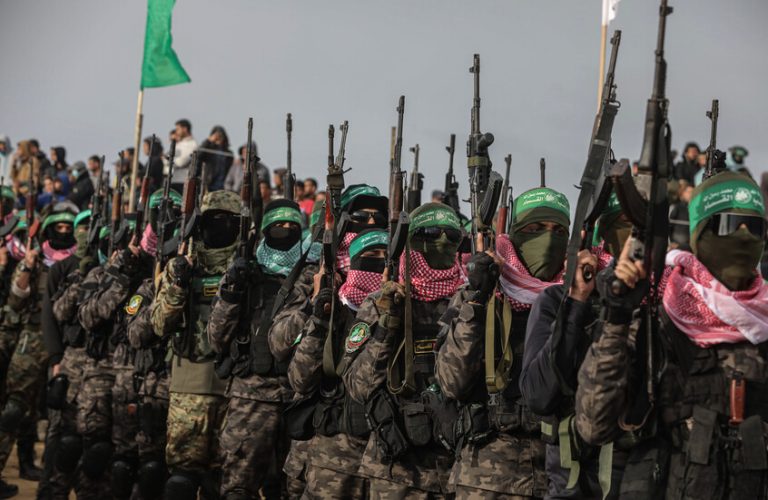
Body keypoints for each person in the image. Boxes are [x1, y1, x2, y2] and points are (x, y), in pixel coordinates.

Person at [575, 170, 768, 498]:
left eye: (756, 228)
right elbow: (594, 424)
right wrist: (617, 316)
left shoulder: (762, 322)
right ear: (701, 232)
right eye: (730, 225)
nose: (745, 237)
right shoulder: (659, 316)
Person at [435, 186, 572, 499]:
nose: (548, 239)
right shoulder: (480, 292)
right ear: (516, 234)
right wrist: (478, 299)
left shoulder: (576, 297)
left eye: (558, 231)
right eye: (535, 229)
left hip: (562, 471)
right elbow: (451, 381)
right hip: (487, 475)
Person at [344, 202, 465, 499]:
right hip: (397, 470)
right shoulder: (381, 301)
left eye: (452, 235)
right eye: (431, 233)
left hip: (459, 468)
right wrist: (387, 323)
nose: (442, 242)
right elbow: (359, 386)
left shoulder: (468, 303)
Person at [519, 191, 630, 499]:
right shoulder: (557, 299)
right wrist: (577, 300)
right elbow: (539, 395)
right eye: (621, 224)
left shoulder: (672, 300)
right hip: (572, 481)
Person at [207, 199, 314, 499]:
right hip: (250, 396)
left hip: (297, 398)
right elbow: (216, 338)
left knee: (294, 489)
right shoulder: (244, 272)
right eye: (278, 225)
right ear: (265, 229)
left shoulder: (309, 276)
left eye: (292, 226)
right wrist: (232, 292)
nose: (286, 230)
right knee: (238, 488)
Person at [151, 190, 240, 499]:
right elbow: (159, 324)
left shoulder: (247, 267)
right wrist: (179, 284)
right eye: (212, 219)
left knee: (223, 482)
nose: (219, 225)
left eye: (226, 220)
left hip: (233, 389)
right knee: (182, 480)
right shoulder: (181, 267)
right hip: (188, 386)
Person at [289, 227, 388, 498]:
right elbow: (299, 379)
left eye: (385, 255)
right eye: (371, 255)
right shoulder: (335, 308)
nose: (379, 261)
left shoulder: (400, 310)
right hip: (334, 454)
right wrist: (320, 319)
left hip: (386, 455)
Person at [0, 206, 78, 495]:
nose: (63, 232)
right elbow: (16, 299)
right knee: (16, 407)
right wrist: (27, 266)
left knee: (53, 412)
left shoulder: (78, 264)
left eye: (67, 228)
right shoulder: (34, 259)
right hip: (32, 338)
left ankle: (31, 466)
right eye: (58, 228)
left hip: (64, 342)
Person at [198, 126, 233, 192]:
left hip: (222, 185)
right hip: (208, 184)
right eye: (216, 135)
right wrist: (208, 141)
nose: (218, 137)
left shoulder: (228, 153)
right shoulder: (208, 150)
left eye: (220, 135)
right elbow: (198, 156)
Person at [171, 119, 198, 186]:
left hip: (183, 181)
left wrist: (170, 160)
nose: (176, 131)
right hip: (174, 179)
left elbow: (181, 162)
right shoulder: (179, 143)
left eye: (178, 129)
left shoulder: (192, 144)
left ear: (185, 129)